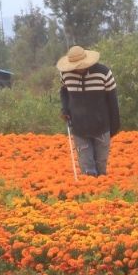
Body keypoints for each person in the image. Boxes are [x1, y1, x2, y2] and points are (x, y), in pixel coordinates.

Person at [57, 45, 120, 177]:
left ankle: (102, 194)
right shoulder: (65, 74)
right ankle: (90, 193)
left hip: (102, 126)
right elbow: (64, 91)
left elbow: (113, 101)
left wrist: (114, 127)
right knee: (88, 170)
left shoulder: (104, 73)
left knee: (101, 168)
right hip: (79, 127)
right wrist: (65, 109)